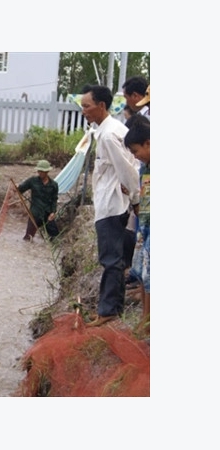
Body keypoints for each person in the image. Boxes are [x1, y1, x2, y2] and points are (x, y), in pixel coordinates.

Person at [80, 85, 141, 327]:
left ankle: (108, 311)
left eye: (87, 106)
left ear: (101, 106)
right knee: (117, 260)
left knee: (111, 260)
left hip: (111, 205)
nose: (83, 111)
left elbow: (126, 169)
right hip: (115, 202)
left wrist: (135, 199)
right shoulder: (111, 130)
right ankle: (112, 308)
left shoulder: (108, 135)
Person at [124, 115, 150, 330]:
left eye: (135, 151)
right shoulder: (145, 168)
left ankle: (148, 320)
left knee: (150, 274)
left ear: (148, 143)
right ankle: (145, 317)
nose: (136, 156)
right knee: (142, 270)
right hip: (145, 225)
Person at [17, 159, 60, 242]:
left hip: (47, 214)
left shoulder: (54, 185)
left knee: (55, 237)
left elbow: (54, 199)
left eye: (42, 171)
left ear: (47, 172)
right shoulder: (32, 181)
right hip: (35, 214)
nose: (39, 173)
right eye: (39, 171)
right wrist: (16, 187)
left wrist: (53, 212)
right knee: (28, 238)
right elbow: (21, 189)